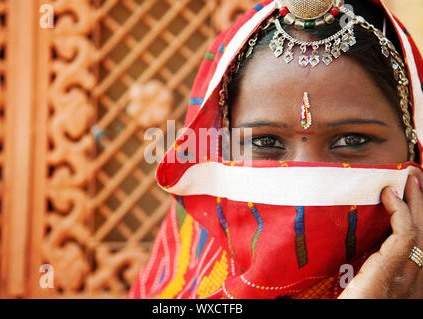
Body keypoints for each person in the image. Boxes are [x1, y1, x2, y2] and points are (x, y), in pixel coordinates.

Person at [128, 0, 423, 299]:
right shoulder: (185, 271)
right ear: (223, 151)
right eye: (266, 142)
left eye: (352, 141)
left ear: (414, 145)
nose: (307, 185)